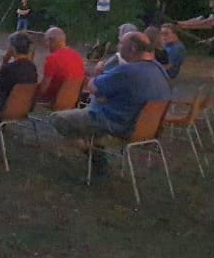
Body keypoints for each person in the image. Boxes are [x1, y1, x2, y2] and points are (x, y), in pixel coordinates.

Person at [50, 31, 171, 174]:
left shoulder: (127, 71)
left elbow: (93, 86)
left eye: (121, 44)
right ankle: (95, 146)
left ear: (132, 48)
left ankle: (94, 154)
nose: (118, 47)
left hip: (115, 124)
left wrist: (98, 72)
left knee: (58, 119)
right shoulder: (159, 70)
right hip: (145, 129)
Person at [37, 27, 85, 103]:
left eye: (45, 41)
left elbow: (44, 87)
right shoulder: (77, 56)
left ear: (51, 40)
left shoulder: (52, 59)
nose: (45, 45)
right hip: (70, 102)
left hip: (52, 101)